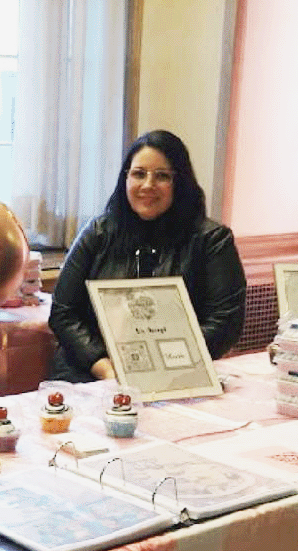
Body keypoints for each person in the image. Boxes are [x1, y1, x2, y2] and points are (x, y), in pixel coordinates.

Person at [48, 129, 246, 382]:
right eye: (139, 174)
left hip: (180, 376)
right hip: (90, 375)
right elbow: (63, 313)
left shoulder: (212, 241)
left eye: (162, 176)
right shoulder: (97, 234)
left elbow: (225, 323)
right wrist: (105, 368)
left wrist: (164, 365)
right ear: (125, 179)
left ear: (180, 182)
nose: (148, 185)